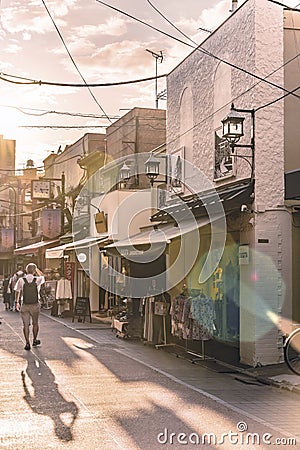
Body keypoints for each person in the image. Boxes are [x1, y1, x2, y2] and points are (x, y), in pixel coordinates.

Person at [14, 263, 45, 351]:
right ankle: (34, 340)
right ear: (34, 271)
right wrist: (37, 269)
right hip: (35, 304)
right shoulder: (37, 279)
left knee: (26, 325)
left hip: (25, 304)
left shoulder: (21, 280)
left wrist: (17, 302)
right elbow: (42, 275)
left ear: (26, 270)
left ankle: (27, 342)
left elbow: (17, 291)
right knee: (35, 323)